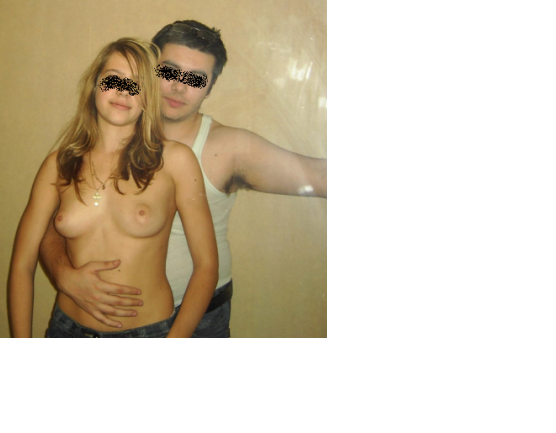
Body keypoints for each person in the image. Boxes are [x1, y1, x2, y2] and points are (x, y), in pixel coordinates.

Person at [39, 20, 327, 337]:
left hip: (202, 321)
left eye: (196, 79)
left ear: (210, 88)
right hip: (99, 320)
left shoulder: (230, 148)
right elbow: (56, 224)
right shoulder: (102, 139)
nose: (179, 87)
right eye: (169, 72)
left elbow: (321, 176)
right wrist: (62, 273)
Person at [8, 38, 218, 338]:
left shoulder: (175, 161)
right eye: (114, 79)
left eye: (138, 84)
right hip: (66, 331)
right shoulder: (58, 164)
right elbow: (21, 265)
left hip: (149, 335)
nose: (123, 91)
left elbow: (207, 266)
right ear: (95, 84)